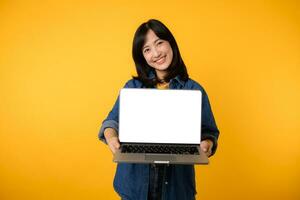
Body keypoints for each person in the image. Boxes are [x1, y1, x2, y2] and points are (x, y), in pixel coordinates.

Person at [98, 19, 219, 200]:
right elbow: (111, 121)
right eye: (147, 49)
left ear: (170, 43)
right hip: (134, 187)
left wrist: (207, 144)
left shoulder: (194, 89)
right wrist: (111, 136)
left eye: (159, 43)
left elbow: (209, 132)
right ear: (142, 57)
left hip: (176, 190)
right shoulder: (133, 87)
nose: (155, 53)